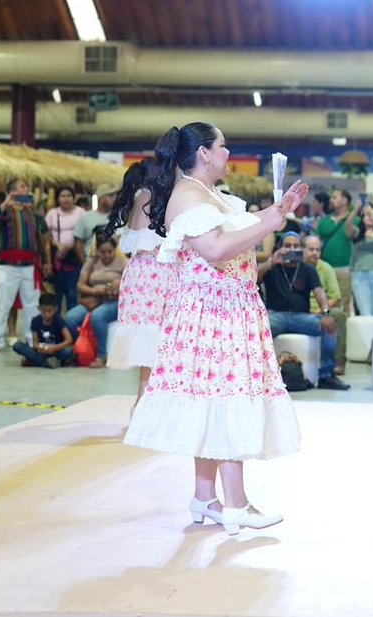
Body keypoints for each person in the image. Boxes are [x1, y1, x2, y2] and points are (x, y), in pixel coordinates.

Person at [125, 122, 306, 536]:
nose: (229, 152)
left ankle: (205, 498)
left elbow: (238, 226)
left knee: (212, 403)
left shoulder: (206, 194)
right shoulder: (188, 195)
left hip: (221, 310)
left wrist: (278, 211)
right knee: (227, 398)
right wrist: (270, 226)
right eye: (223, 145)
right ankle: (236, 504)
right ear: (204, 153)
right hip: (212, 315)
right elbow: (216, 248)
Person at [102, 162, 176, 403]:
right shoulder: (150, 199)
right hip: (156, 273)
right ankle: (144, 402)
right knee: (155, 339)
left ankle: (144, 400)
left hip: (139, 273)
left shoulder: (138, 199)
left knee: (149, 340)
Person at [259, 232, 348, 392]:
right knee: (259, 329)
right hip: (276, 316)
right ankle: (260, 375)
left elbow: (320, 293)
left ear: (301, 249)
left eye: (296, 246)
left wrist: (326, 313)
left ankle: (326, 375)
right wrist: (272, 261)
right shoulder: (272, 267)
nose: (291, 249)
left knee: (329, 325)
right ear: (279, 248)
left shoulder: (307, 269)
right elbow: (253, 277)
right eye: (287, 246)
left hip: (302, 317)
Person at [0, 180, 51, 354]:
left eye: (25, 187)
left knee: (32, 305)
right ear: (12, 191)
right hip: (7, 266)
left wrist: (45, 262)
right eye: (21, 187)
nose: (26, 189)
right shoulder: (5, 211)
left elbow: (39, 240)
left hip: (30, 266)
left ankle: (32, 339)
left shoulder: (33, 214)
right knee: (2, 304)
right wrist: (6, 203)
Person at [64, 237, 125, 368]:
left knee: (98, 316)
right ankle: (82, 349)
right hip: (93, 299)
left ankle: (102, 355)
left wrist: (116, 285)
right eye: (102, 252)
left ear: (115, 250)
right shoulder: (91, 263)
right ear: (97, 251)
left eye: (110, 251)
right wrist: (95, 291)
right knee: (70, 318)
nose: (106, 255)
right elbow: (80, 285)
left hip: (114, 301)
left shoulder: (123, 262)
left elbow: (131, 284)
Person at [303, 234, 346, 375]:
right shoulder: (296, 266)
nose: (315, 253)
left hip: (322, 309)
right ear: (303, 250)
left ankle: (338, 362)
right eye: (311, 249)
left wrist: (319, 310)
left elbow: (335, 297)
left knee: (338, 315)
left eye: (317, 250)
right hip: (301, 310)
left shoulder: (326, 268)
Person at [316, 188, 360, 317]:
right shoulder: (325, 221)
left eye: (335, 197)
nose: (331, 200)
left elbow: (350, 232)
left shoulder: (355, 220)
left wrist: (355, 210)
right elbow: (316, 240)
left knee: (344, 306)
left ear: (345, 200)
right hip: (325, 268)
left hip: (345, 269)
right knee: (324, 304)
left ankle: (342, 337)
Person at [45, 186, 87, 312]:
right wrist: (57, 245)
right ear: (58, 199)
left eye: (69, 196)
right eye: (62, 196)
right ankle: (56, 325)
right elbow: (46, 237)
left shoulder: (81, 213)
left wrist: (70, 246)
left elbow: (85, 234)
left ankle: (71, 325)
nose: (66, 199)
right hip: (58, 259)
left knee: (72, 293)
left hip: (76, 258)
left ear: (74, 198)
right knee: (57, 294)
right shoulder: (52, 214)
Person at [12, 292, 75, 369]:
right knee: (17, 346)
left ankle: (35, 361)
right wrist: (40, 348)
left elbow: (69, 340)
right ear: (39, 308)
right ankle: (46, 362)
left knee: (67, 351)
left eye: (50, 311)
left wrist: (54, 348)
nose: (47, 314)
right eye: (44, 311)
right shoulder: (35, 321)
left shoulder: (58, 320)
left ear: (55, 309)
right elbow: (35, 343)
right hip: (42, 352)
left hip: (56, 350)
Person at [72, 183, 117, 263]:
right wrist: (85, 263)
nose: (115, 198)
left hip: (117, 265)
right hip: (93, 263)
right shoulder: (86, 217)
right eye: (111, 196)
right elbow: (78, 242)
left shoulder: (119, 217)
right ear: (101, 198)